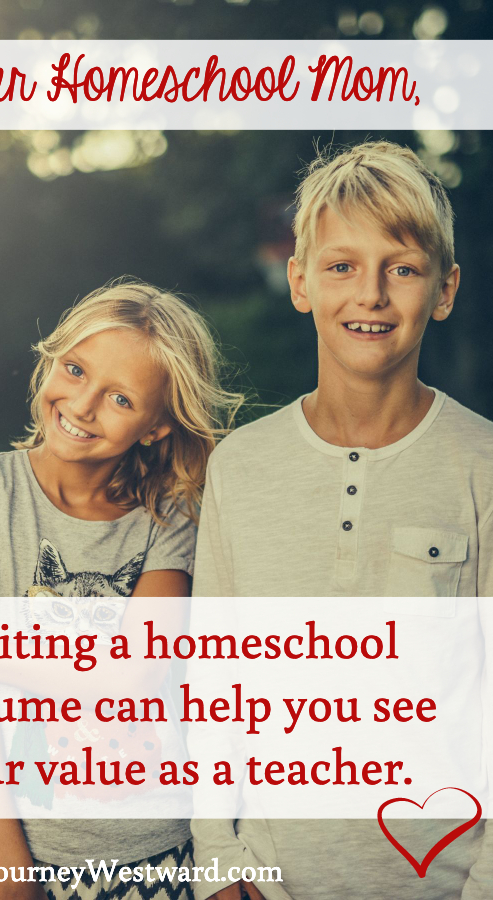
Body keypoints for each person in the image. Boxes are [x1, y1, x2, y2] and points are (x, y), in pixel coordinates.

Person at [190, 142, 492, 898]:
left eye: (404, 267)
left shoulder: (482, 464)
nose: (372, 295)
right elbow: (215, 686)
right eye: (341, 266)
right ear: (300, 282)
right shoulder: (242, 466)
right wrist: (220, 865)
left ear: (445, 289)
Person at [0, 278, 242, 900]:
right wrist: (10, 872)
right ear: (51, 360)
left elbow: (131, 677)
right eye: (75, 369)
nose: (82, 405)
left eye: (119, 398)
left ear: (156, 426)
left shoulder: (170, 517)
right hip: (16, 854)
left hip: (160, 853)